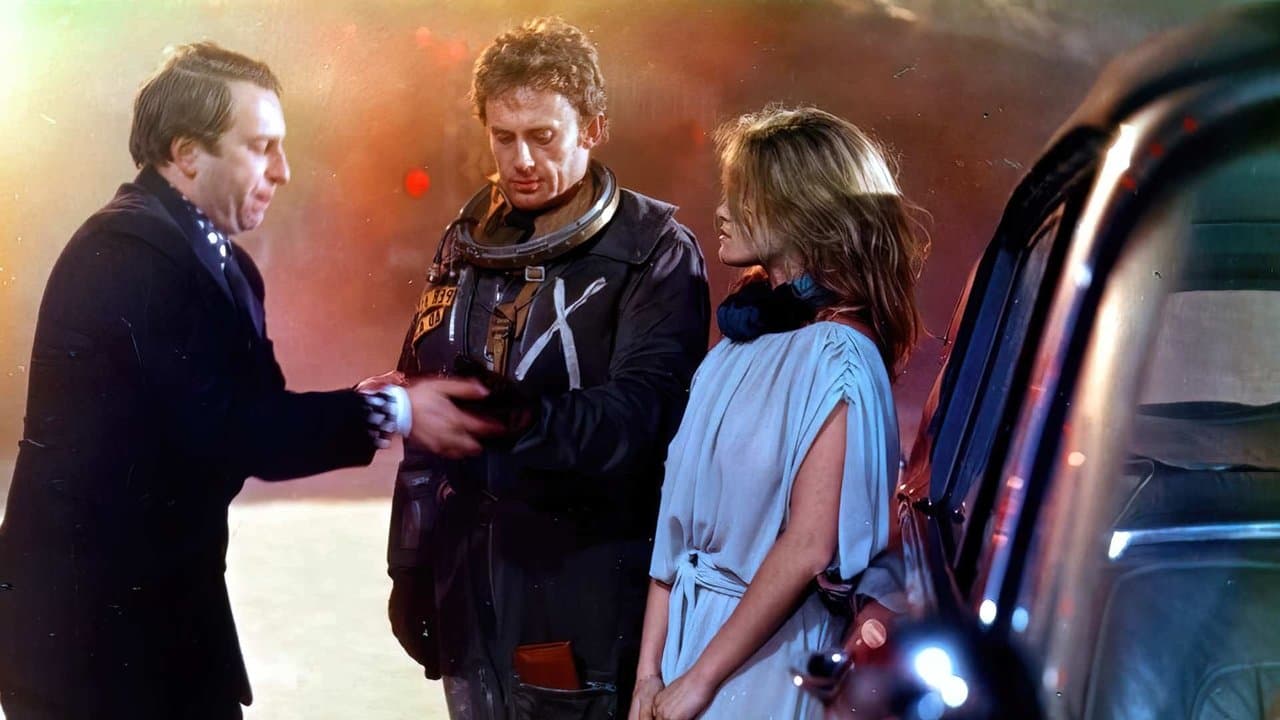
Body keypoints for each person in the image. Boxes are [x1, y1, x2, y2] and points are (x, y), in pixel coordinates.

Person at [0, 42, 499, 720]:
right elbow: (234, 430)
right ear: (186, 154)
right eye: (261, 148)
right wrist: (394, 412)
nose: (283, 171)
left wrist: (367, 404)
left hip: (159, 640)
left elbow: (259, 413)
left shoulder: (221, 263)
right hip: (89, 654)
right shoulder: (128, 253)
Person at [385, 17, 711, 720]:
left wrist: (525, 419)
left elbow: (648, 415)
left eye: (543, 136)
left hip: (585, 585)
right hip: (470, 586)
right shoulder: (465, 243)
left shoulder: (652, 251)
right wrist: (409, 565)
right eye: (503, 137)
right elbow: (423, 422)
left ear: (593, 128)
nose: (521, 160)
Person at [629, 106, 927, 720]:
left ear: (802, 209)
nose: (721, 211)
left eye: (742, 195)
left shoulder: (837, 353)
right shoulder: (734, 348)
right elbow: (674, 539)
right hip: (687, 648)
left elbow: (810, 545)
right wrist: (647, 676)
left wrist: (701, 681)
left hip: (763, 661)